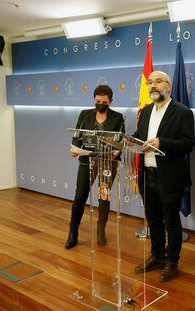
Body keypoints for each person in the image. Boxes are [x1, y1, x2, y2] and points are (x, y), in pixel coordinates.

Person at [133, 71, 195, 282]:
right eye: (150, 82)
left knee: (171, 222)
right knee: (153, 219)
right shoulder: (146, 110)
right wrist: (124, 142)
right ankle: (157, 256)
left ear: (168, 85)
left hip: (169, 176)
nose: (153, 86)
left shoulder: (182, 112)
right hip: (146, 175)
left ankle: (172, 261)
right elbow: (138, 138)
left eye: (158, 81)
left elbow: (188, 144)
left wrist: (163, 143)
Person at [65, 84, 125, 249]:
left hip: (108, 162)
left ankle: (101, 229)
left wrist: (116, 152)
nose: (100, 104)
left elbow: (120, 140)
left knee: (103, 197)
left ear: (110, 101)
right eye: (97, 101)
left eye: (104, 102)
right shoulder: (85, 114)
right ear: (94, 99)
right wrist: (74, 148)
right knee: (79, 196)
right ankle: (73, 232)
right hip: (86, 161)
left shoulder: (118, 117)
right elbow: (77, 135)